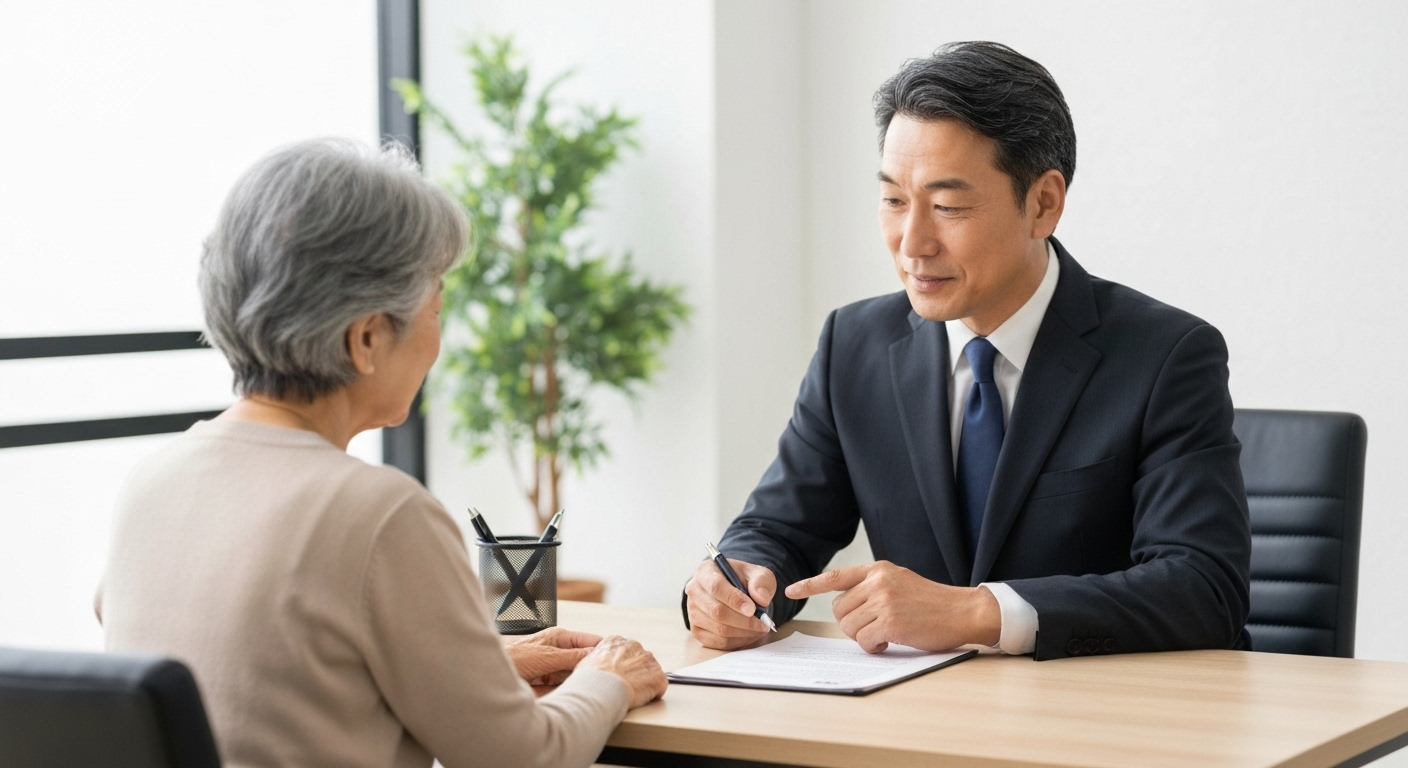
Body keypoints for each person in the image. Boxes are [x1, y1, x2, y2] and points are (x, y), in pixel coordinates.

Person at [96, 138, 667, 768]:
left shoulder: (151, 484)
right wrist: (611, 676)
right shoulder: (379, 514)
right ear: (366, 339)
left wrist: (468, 668)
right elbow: (523, 758)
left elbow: (263, 676)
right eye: (435, 308)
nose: (438, 339)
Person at [684, 42, 1251, 661]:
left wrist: (979, 611)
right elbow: (778, 528)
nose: (913, 244)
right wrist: (737, 584)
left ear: (1043, 204)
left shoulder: (1166, 356)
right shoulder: (854, 345)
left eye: (948, 206)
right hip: (916, 724)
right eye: (895, 201)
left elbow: (1202, 589)